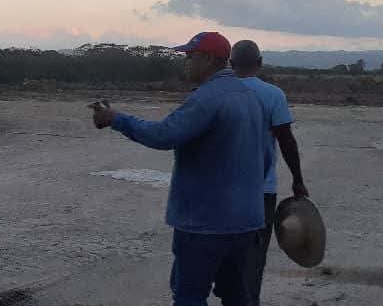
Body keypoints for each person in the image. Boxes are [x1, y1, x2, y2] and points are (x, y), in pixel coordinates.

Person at [90, 32, 270, 306]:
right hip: (245, 221)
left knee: (189, 295)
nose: (185, 63)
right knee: (235, 293)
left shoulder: (208, 98)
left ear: (208, 59)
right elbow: (266, 158)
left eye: (190, 57)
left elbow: (164, 135)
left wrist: (116, 119)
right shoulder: (250, 97)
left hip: (205, 223)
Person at [230, 39, 310, 306]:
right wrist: (298, 181)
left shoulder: (215, 92)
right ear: (260, 63)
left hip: (220, 189)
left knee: (222, 253)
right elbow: (287, 141)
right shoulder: (273, 94)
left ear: (231, 64)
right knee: (254, 255)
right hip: (261, 191)